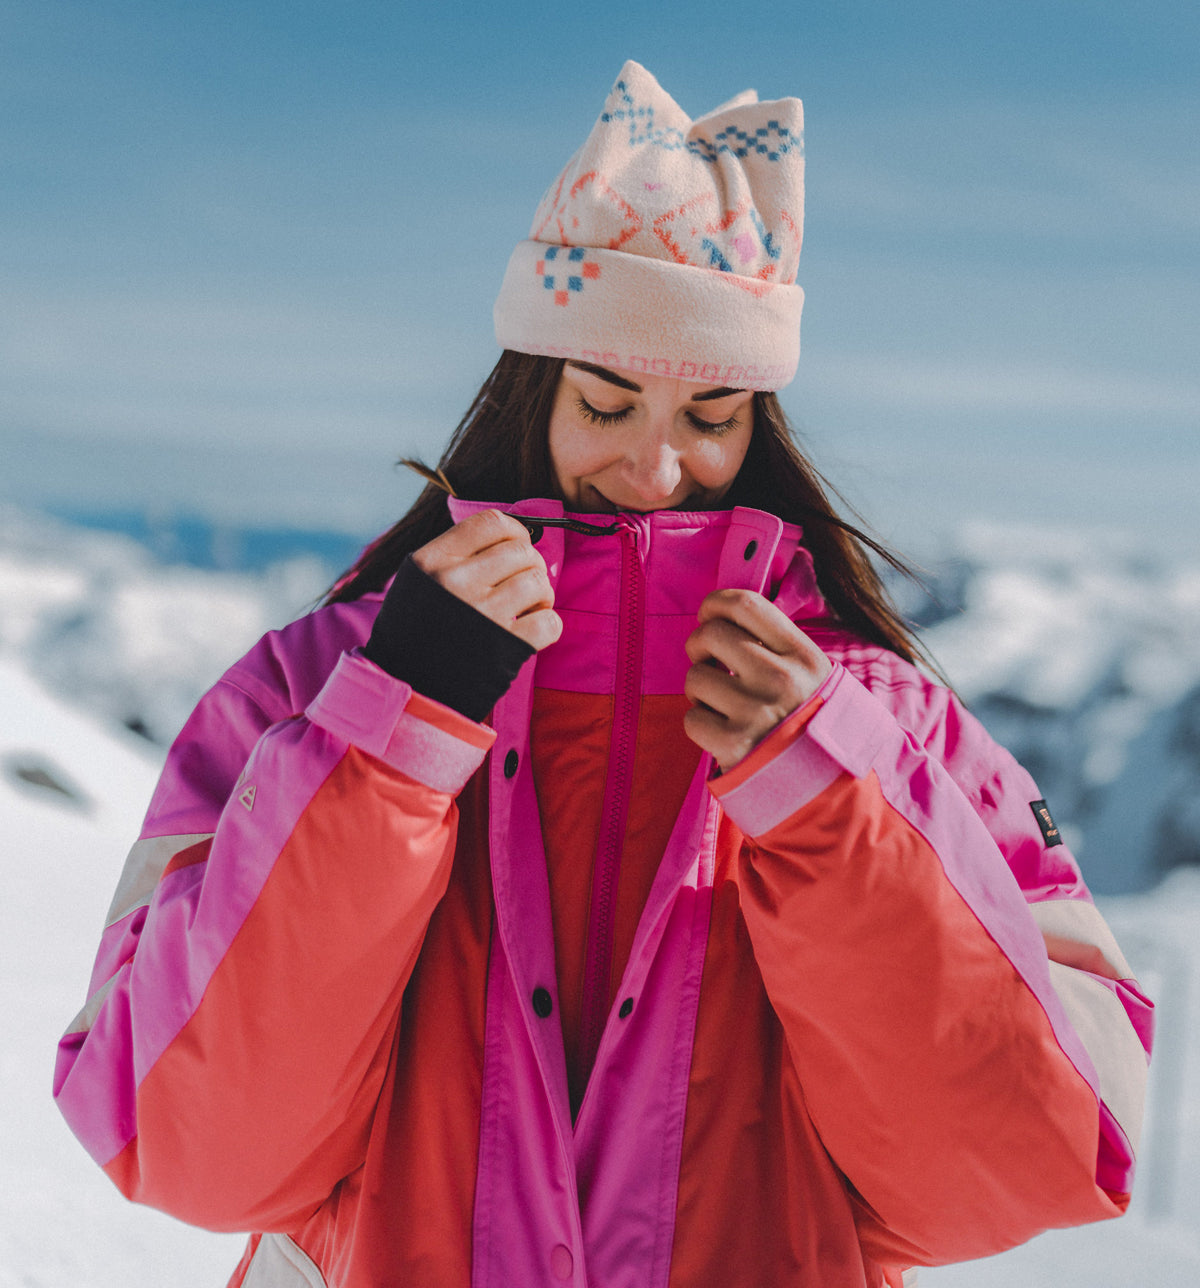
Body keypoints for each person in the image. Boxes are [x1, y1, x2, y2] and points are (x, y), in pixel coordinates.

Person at [55, 62, 1152, 1288]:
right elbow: (196, 1148)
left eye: (712, 414)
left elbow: (1021, 1163)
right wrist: (391, 733)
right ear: (536, 389)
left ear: (759, 423)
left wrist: (830, 795)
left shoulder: (881, 723)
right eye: (610, 402)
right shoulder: (315, 689)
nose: (660, 468)